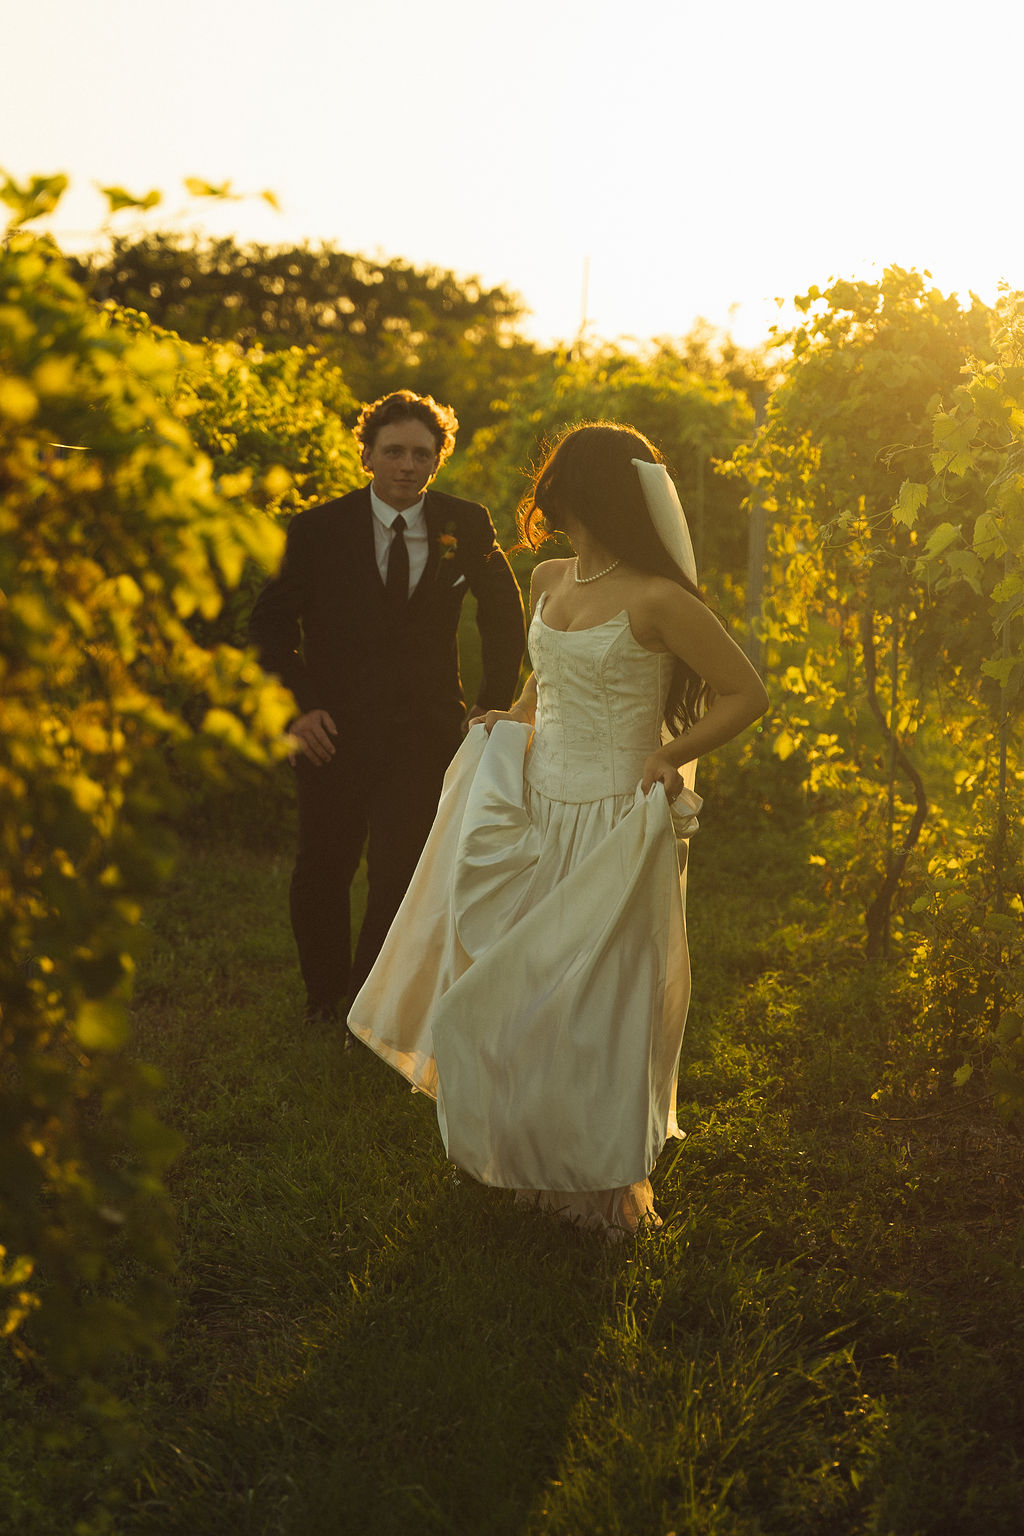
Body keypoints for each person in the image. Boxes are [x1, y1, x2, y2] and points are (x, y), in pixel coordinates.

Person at [348, 422, 769, 1235]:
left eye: (558, 485)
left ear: (583, 492)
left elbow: (746, 695)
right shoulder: (549, 577)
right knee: (515, 986)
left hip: (615, 813)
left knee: (597, 1002)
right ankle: (530, 1158)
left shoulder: (658, 598)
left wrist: (670, 756)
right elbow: (551, 677)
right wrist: (509, 719)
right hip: (538, 803)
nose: (546, 499)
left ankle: (602, 1186)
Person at [249, 390, 526, 1026]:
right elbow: (269, 626)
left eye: (421, 454)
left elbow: (504, 616)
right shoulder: (318, 529)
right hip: (332, 731)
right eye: (394, 451)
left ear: (437, 461)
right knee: (324, 866)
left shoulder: (467, 522)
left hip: (425, 733)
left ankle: (366, 1006)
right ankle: (323, 1000)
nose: (407, 464)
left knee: (400, 871)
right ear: (368, 455)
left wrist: (491, 704)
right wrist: (300, 708)